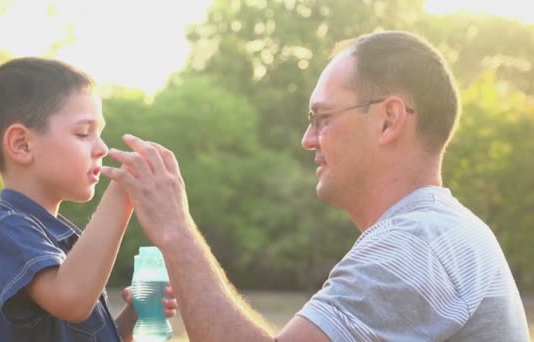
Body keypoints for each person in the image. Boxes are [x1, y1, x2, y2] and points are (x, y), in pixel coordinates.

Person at [102, 31, 531, 341]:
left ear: (388, 119)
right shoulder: (435, 235)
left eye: (321, 118)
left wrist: (175, 229)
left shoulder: (420, 244)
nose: (308, 140)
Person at [0, 57, 177, 342]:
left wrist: (133, 317)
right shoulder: (6, 230)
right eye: (83, 133)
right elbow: (71, 301)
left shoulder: (61, 244)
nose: (102, 148)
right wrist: (120, 194)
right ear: (22, 144)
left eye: (99, 133)